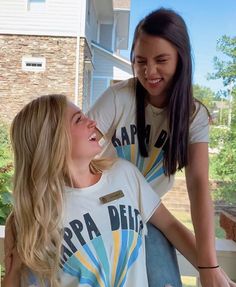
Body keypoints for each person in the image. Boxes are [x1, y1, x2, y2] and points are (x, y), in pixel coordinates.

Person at [2, 95, 234, 287]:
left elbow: (171, 226)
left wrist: (212, 271)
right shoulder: (32, 217)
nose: (91, 122)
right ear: (52, 139)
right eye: (78, 119)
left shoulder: (124, 175)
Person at [87, 8, 232, 287]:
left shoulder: (193, 116)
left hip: (148, 217)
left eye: (161, 60)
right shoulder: (120, 97)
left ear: (181, 58)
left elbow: (199, 185)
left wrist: (210, 266)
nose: (149, 71)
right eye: (140, 61)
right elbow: (71, 149)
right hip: (98, 210)